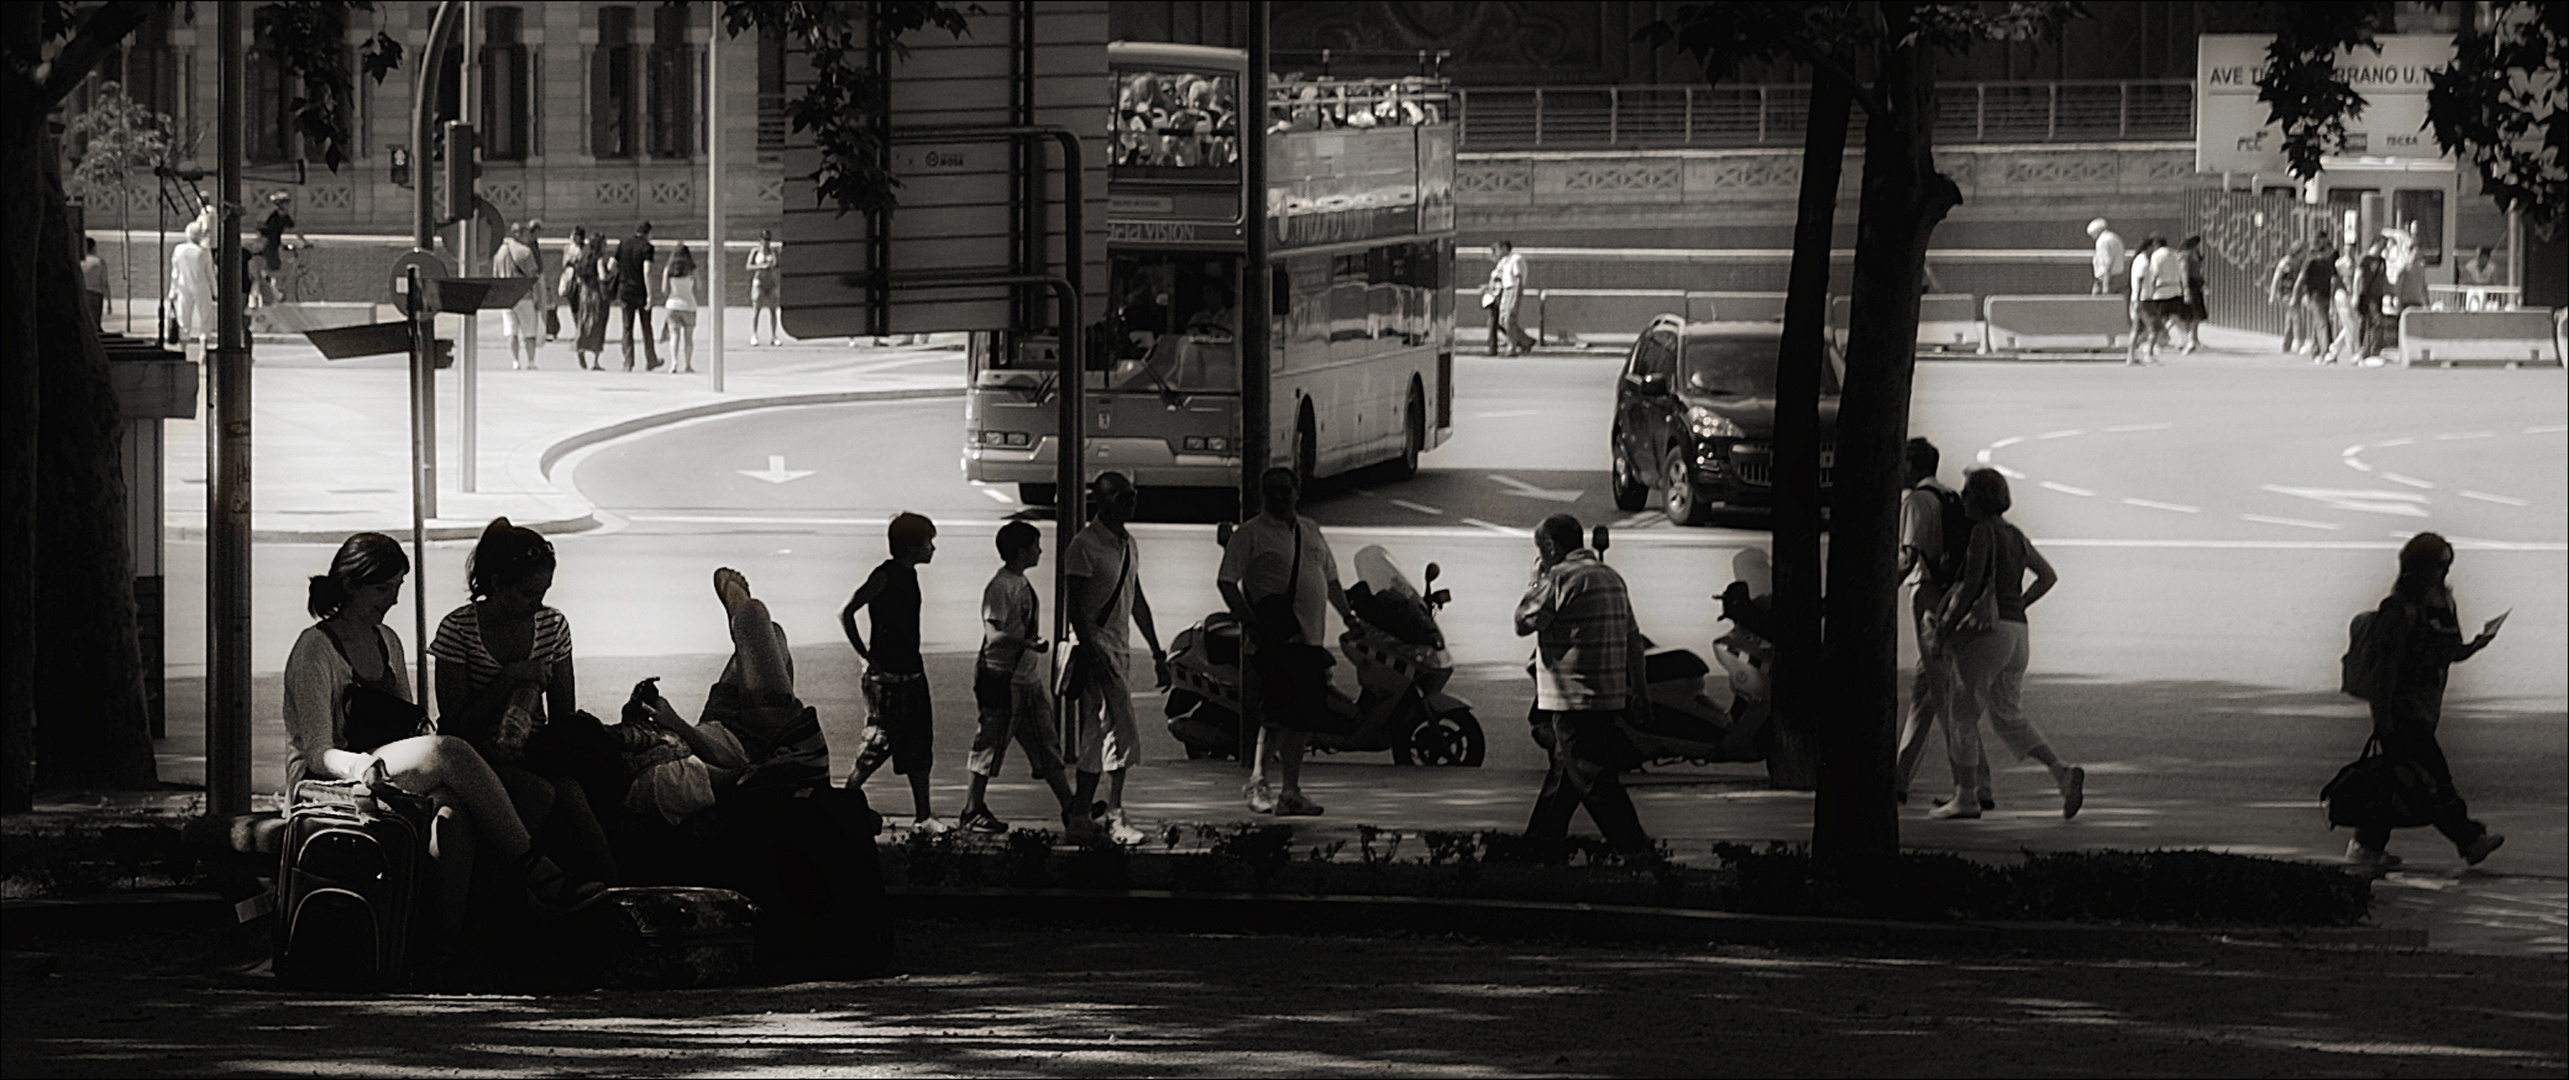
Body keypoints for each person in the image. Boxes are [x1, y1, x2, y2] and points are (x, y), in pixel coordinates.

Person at [286, 534, 607, 947]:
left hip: (389, 764)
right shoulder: (315, 649)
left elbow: (405, 718)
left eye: (398, 588)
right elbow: (316, 749)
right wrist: (361, 766)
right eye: (384, 589)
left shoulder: (386, 639)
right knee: (447, 750)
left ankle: (452, 943)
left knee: (468, 812)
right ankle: (537, 872)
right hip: (337, 776)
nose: (394, 601)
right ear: (350, 586)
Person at [430, 517, 620, 884]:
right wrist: (509, 680)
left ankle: (613, 891)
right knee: (536, 793)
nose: (538, 605)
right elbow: (453, 726)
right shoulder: (458, 630)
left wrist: (529, 729)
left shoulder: (552, 626)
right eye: (527, 595)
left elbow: (563, 714)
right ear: (497, 585)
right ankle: (504, 893)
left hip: (532, 748)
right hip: (472, 756)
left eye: (544, 593)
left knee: (573, 795)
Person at [2344, 534, 2509, 873]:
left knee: (2398, 781)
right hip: (2404, 711)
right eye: (2439, 565)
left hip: (2423, 708)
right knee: (2434, 779)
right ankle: (2468, 841)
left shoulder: (2437, 606)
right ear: (2420, 567)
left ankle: (2366, 847)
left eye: (2447, 565)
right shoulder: (2399, 610)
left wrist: (2476, 645)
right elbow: (2385, 672)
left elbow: (2447, 654)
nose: (2445, 572)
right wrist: (2383, 719)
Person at [1932, 468, 2085, 821]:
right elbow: (2047, 576)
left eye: (1967, 493)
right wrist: (2018, 604)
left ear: (1978, 498)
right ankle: (2061, 774)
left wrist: (1943, 630)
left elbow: (1969, 589)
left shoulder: (1982, 533)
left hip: (1988, 636)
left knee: (1963, 716)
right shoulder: (2015, 535)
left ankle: (1966, 797)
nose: (1963, 498)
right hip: (2018, 634)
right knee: (2008, 716)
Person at [1220, 467, 1356, 817]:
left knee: (1301, 719)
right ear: (1263, 496)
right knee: (1277, 716)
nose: (1278, 497)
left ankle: (1291, 791)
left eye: (1285, 490)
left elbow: (1332, 580)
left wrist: (1349, 618)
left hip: (1310, 640)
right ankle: (1258, 780)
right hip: (1276, 641)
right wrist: (1249, 621)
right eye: (1271, 491)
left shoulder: (1310, 531)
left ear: (1297, 493)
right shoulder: (1250, 534)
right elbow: (1226, 581)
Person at [1516, 512, 1654, 856]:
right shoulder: (1611, 577)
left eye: (1540, 548)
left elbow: (1523, 622)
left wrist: (1535, 580)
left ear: (1550, 546)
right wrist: (1640, 690)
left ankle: (1639, 854)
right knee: (1564, 779)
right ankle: (1537, 852)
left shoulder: (1559, 578)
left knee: (1593, 779)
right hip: (1607, 696)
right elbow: (1633, 639)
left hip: (1573, 700)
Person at [955, 521, 1096, 839]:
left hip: (1027, 680)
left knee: (1047, 746)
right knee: (989, 746)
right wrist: (1027, 644)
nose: (1040, 551)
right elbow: (993, 635)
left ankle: (1071, 808)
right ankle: (971, 810)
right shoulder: (1002, 587)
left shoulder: (1019, 582)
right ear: (1021, 552)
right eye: (1035, 546)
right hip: (1002, 680)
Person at [1064, 471, 1166, 846]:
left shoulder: (1128, 544)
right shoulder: (1084, 545)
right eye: (1123, 497)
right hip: (1097, 652)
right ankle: (1114, 813)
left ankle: (1080, 813)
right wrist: (1094, 653)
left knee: (1097, 736)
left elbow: (1136, 599)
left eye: (1133, 495)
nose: (1132, 503)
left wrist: (1156, 650)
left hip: (1119, 651)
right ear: (1102, 501)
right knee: (1119, 732)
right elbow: (1074, 609)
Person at [1892, 439, 1990, 809]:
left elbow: (1908, 558)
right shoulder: (1949, 495)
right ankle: (1899, 779)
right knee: (1926, 694)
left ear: (1911, 466)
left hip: (1928, 597)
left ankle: (1974, 787)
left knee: (1945, 695)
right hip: (1950, 594)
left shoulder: (1916, 501)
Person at [842, 512, 944, 832]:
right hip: (887, 679)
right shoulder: (884, 576)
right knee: (877, 744)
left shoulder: (910, 574)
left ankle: (923, 815)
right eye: (929, 542)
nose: (933, 548)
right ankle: (844, 802)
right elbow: (848, 611)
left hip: (912, 673)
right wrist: (866, 656)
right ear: (912, 547)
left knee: (918, 745)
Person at [491, 222, 543, 370]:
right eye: (525, 233)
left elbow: (495, 276)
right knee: (529, 331)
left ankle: (515, 361)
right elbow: (533, 277)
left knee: (511, 331)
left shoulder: (499, 252)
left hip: (506, 297)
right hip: (524, 295)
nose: (527, 236)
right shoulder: (525, 252)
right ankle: (531, 361)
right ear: (519, 234)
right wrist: (538, 298)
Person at [614, 221, 660, 371]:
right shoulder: (647, 247)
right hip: (641, 292)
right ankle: (651, 360)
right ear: (648, 233)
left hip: (625, 291)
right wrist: (650, 294)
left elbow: (612, 265)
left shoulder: (624, 244)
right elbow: (647, 270)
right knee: (646, 327)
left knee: (627, 327)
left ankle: (628, 362)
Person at [166, 219, 216, 352]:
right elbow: (209, 273)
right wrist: (215, 291)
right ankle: (203, 349)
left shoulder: (179, 250)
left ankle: (183, 349)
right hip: (201, 286)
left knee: (184, 318)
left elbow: (175, 273)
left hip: (183, 287)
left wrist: (172, 292)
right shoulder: (203, 251)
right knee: (205, 317)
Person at [1484, 240, 1535, 356]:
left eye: (1498, 249)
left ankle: (1512, 347)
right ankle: (1526, 341)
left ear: (1504, 248)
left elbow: (1518, 279)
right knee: (1503, 321)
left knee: (1509, 319)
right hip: (1506, 290)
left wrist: (1515, 297)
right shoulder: (1505, 261)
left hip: (1512, 289)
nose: (1496, 252)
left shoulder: (1515, 259)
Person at [570, 230, 610, 370]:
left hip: (584, 293)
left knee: (584, 321)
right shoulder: (599, 259)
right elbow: (603, 276)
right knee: (597, 324)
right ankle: (596, 361)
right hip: (596, 294)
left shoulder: (584, 258)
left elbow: (579, 277)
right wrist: (611, 272)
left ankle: (580, 347)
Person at [2295, 240, 2340, 363]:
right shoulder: (2323, 263)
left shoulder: (2312, 262)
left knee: (2318, 323)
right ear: (2324, 250)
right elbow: (2334, 280)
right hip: (2318, 297)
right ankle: (2325, 351)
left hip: (2315, 296)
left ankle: (2315, 350)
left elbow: (2301, 280)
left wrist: (2298, 295)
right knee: (2323, 324)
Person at [255, 190, 302, 305]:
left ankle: (274, 292)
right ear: (280, 204)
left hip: (273, 245)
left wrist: (304, 241)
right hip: (268, 246)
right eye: (286, 203)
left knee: (273, 270)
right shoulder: (271, 217)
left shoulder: (284, 217)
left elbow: (294, 229)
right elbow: (264, 233)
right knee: (273, 271)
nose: (288, 206)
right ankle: (276, 295)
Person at [661, 244, 701, 375]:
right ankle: (688, 365)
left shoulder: (669, 269)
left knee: (674, 336)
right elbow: (699, 286)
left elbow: (664, 289)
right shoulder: (692, 269)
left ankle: (674, 363)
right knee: (688, 338)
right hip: (689, 305)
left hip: (672, 304)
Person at [746, 230, 782, 346]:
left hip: (771, 282)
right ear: (760, 240)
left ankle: (774, 336)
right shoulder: (755, 251)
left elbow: (778, 266)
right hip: (759, 282)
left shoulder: (773, 252)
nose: (766, 242)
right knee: (757, 309)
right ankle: (754, 335)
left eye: (768, 239)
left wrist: (772, 269)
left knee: (773, 310)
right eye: (764, 239)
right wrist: (761, 266)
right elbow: (748, 266)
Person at [2176, 234, 2208, 353]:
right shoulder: (2185, 256)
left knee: (2197, 314)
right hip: (2190, 285)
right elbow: (2184, 271)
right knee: (2190, 314)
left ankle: (2194, 338)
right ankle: (2188, 338)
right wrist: (2186, 288)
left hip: (2196, 285)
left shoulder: (2195, 254)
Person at [2087, 218, 2126, 296]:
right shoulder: (2115, 238)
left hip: (2106, 279)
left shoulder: (2101, 242)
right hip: (2119, 276)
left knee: (2097, 306)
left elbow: (2106, 263)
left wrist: (2105, 285)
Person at [79, 236, 109, 328]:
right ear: (93, 247)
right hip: (96, 293)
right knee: (95, 322)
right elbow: (104, 282)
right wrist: (108, 300)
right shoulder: (99, 262)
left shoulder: (79, 262)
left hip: (82, 292)